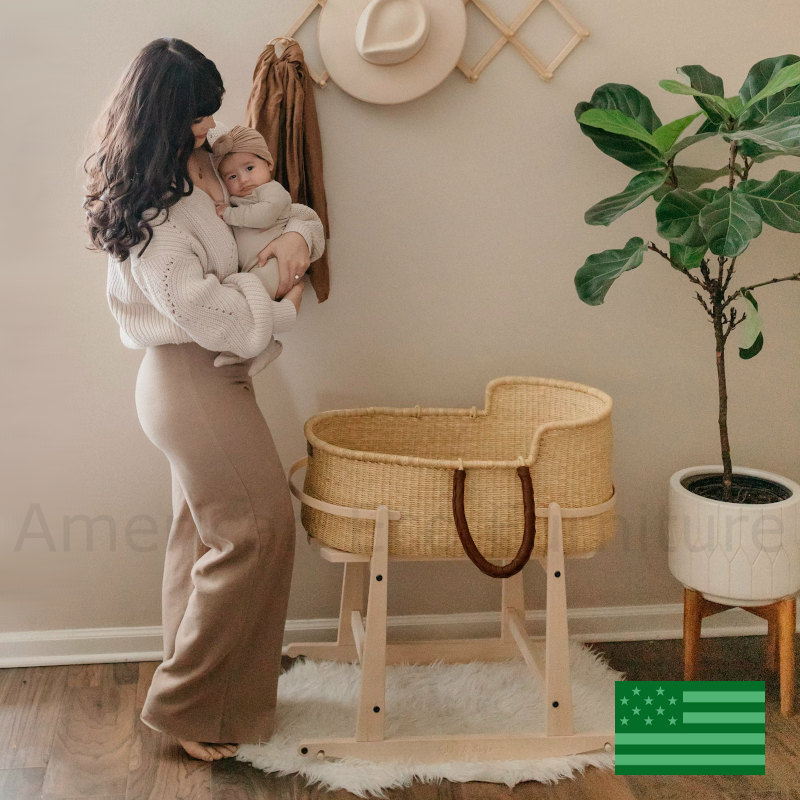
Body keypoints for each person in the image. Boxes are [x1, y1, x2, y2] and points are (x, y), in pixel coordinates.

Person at [82, 37, 325, 762]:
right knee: (256, 531)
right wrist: (278, 290)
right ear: (161, 118)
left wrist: (296, 242)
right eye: (196, 117)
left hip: (209, 373)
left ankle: (204, 693)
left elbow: (281, 213)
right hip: (189, 376)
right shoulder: (149, 216)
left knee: (205, 536)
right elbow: (216, 318)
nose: (207, 129)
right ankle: (194, 704)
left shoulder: (198, 164)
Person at [209, 124, 296, 375]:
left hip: (273, 265)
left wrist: (229, 214)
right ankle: (260, 345)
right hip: (255, 267)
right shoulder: (239, 199)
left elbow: (264, 216)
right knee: (241, 301)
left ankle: (257, 346)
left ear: (268, 163)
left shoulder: (271, 190)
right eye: (232, 177)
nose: (243, 179)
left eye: (249, 168)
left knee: (245, 302)